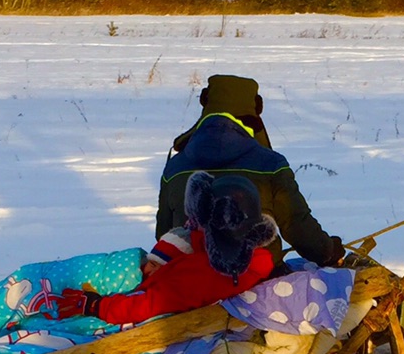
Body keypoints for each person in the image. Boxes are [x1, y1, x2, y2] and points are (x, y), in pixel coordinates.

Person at [156, 74, 345, 270]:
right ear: (255, 108)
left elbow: (165, 233)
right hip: (259, 277)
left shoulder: (176, 165)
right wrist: (328, 252)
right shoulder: (270, 163)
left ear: (206, 103)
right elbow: (296, 224)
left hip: (191, 278)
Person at [57, 171, 277, 325]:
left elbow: (153, 302)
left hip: (129, 308)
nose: (192, 226)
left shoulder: (207, 273)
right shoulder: (251, 256)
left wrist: (96, 306)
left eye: (200, 223)